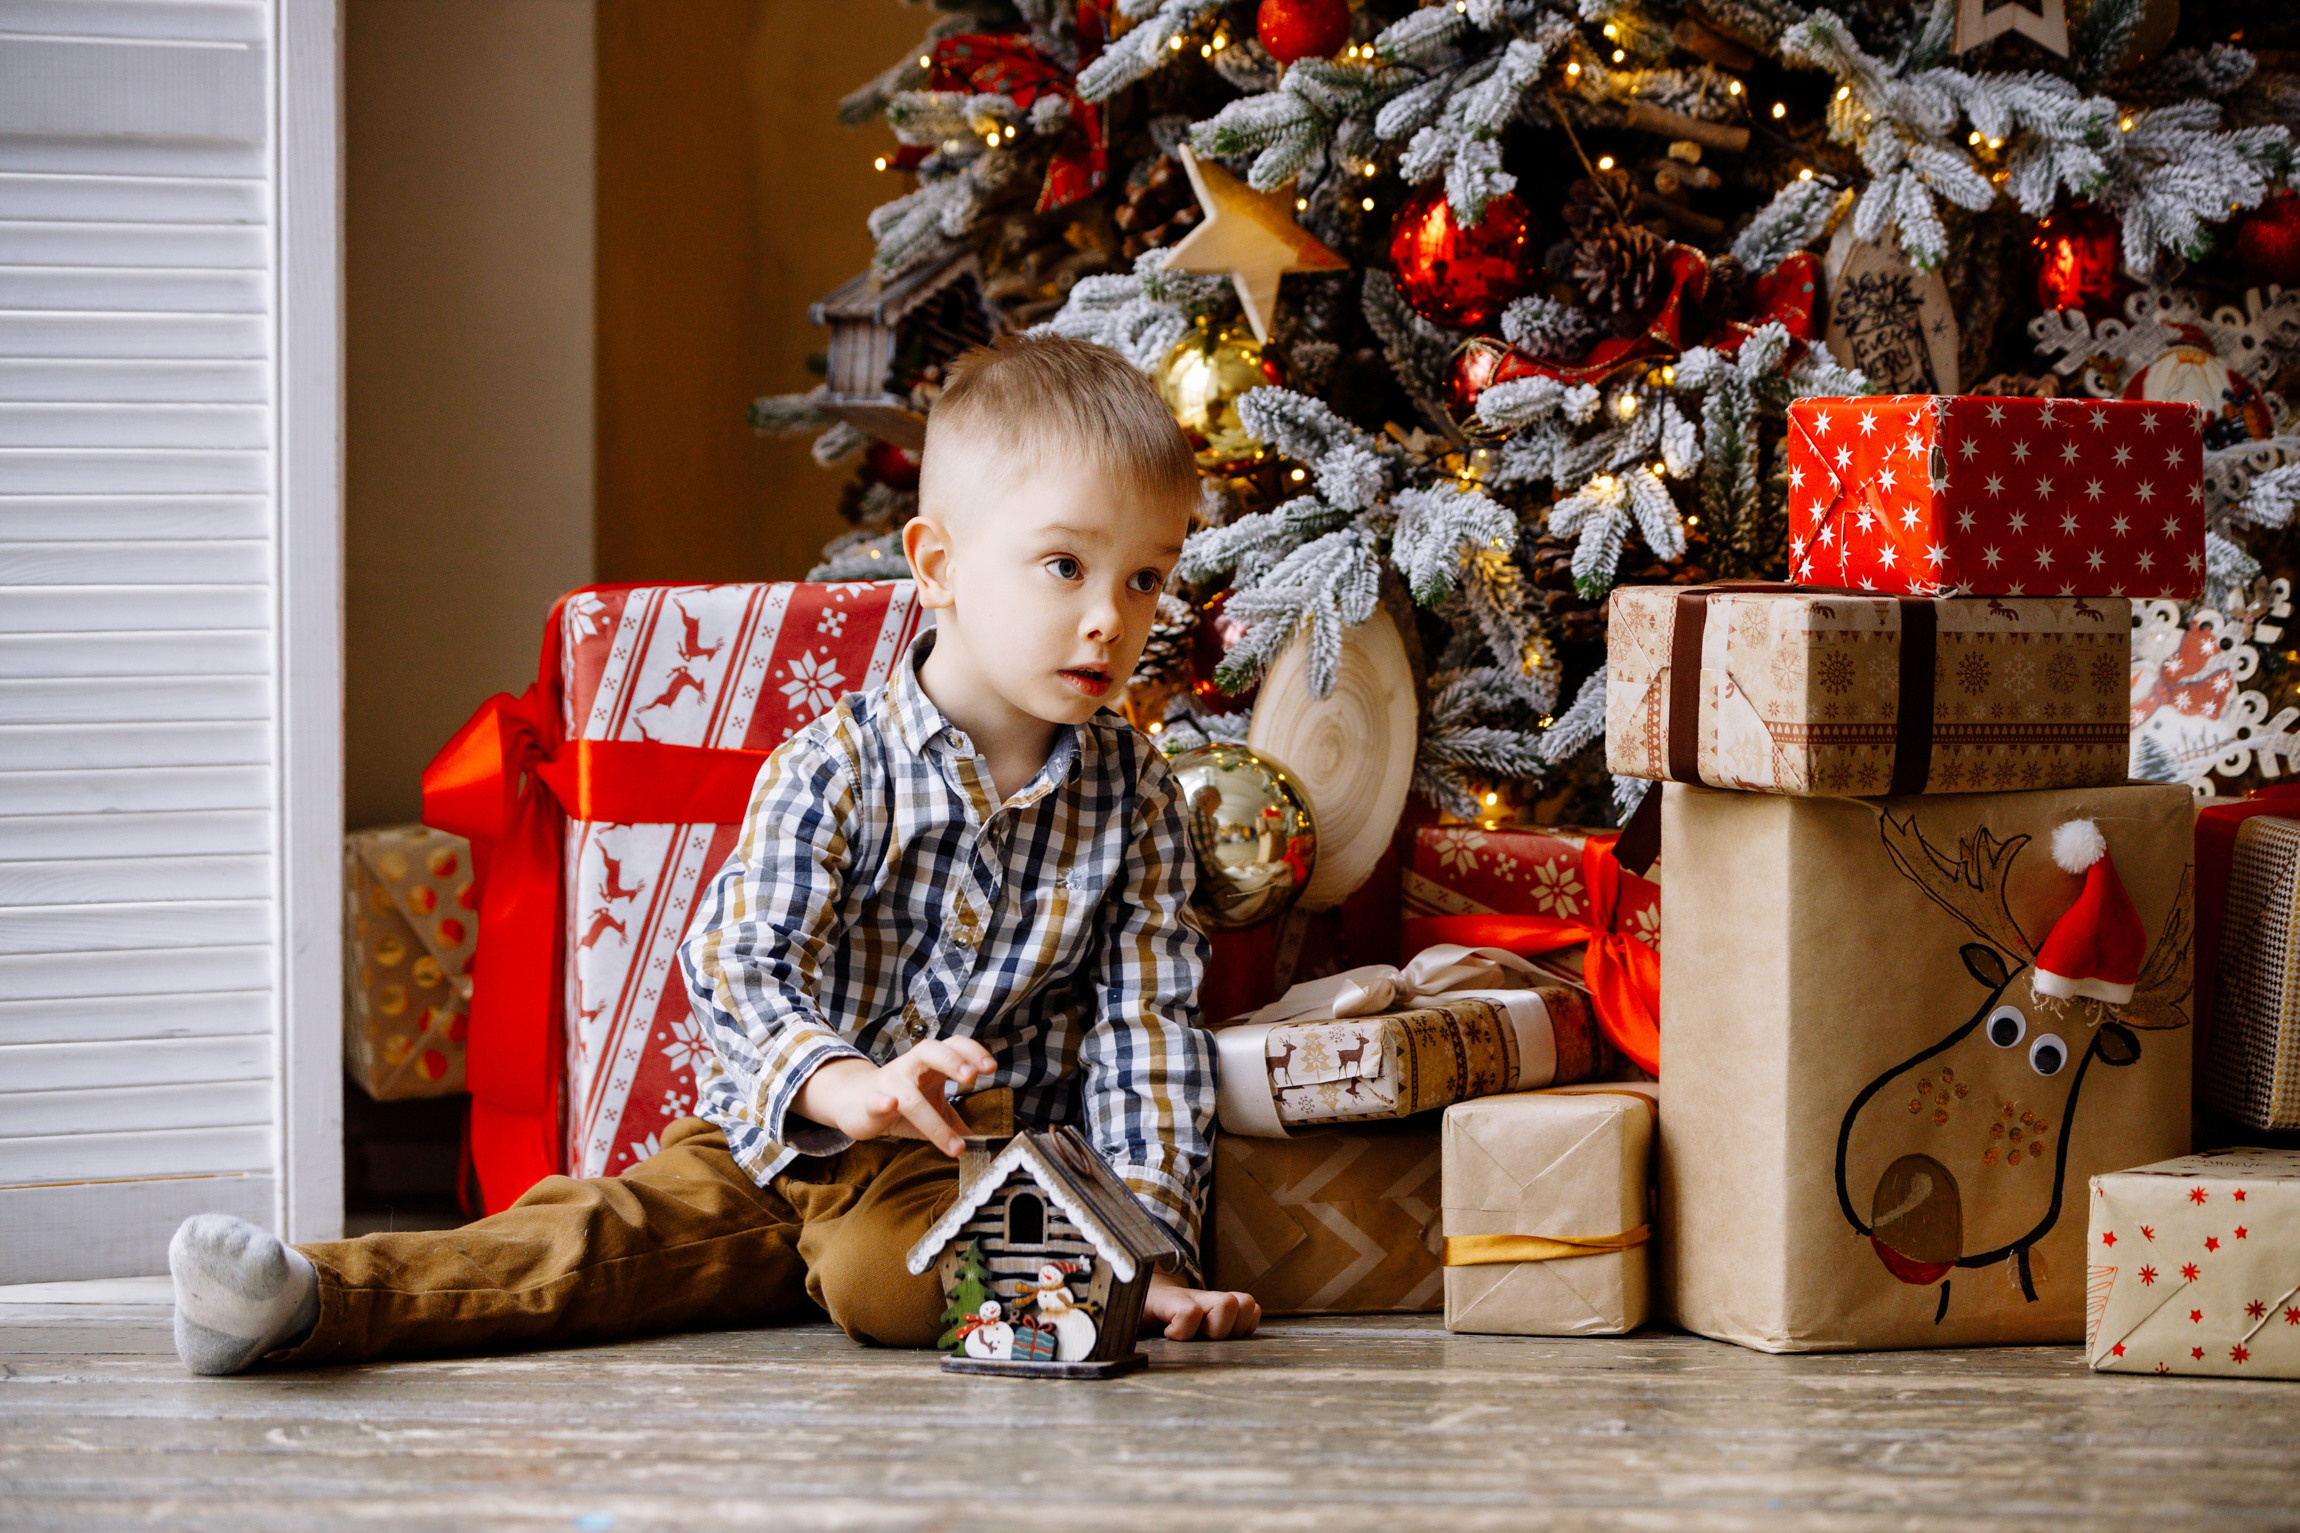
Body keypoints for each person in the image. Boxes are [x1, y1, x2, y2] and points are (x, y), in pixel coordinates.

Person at [167, 334, 1261, 1373]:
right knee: (592, 1236)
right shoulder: (836, 763)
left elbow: (1144, 1031)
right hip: (774, 1134)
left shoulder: (1136, 798)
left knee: (886, 1279)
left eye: (1144, 580)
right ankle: (308, 1298)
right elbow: (739, 959)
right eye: (1065, 567)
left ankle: (1028, 1282)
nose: (1110, 623)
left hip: (952, 1171)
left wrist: (1144, 1246)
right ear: (937, 566)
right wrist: (841, 1086)